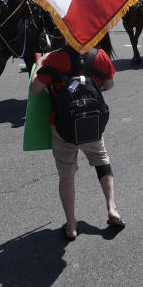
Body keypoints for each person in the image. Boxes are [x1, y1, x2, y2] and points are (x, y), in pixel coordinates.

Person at [30, 39, 123, 241]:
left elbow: (35, 89)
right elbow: (110, 84)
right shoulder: (100, 56)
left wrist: (39, 64)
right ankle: (112, 207)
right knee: (102, 161)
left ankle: (71, 225)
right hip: (91, 124)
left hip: (63, 126)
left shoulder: (55, 58)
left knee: (66, 173)